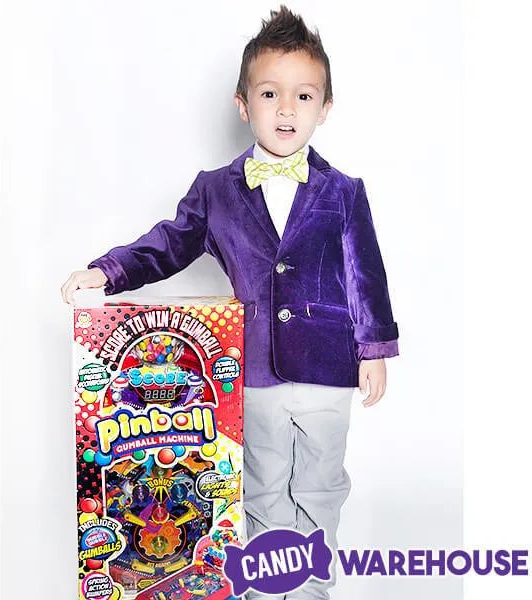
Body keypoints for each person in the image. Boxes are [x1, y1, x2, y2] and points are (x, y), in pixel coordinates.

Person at [62, 6, 399, 599]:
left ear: (325, 107)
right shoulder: (215, 189)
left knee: (320, 485)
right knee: (263, 487)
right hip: (254, 369)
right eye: (270, 94)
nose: (286, 109)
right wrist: (108, 271)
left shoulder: (345, 191)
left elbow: (364, 272)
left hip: (329, 367)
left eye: (303, 96)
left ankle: (313, 589)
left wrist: (373, 349)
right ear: (243, 104)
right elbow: (170, 243)